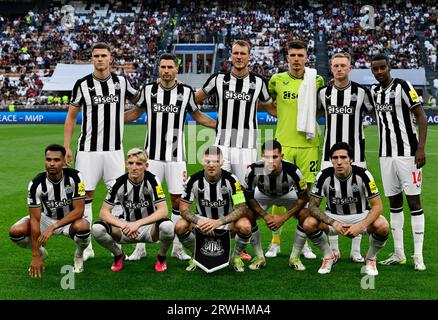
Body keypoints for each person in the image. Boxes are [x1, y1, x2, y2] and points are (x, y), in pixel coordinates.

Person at [124, 53, 216, 261]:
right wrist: (112, 120)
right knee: (144, 200)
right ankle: (140, 247)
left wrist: (220, 125)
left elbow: (198, 116)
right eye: (163, 67)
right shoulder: (148, 90)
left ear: (177, 69)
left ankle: (176, 247)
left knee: (178, 201)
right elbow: (136, 113)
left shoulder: (186, 92)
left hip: (176, 158)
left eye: (170, 67)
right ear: (159, 69)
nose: (166, 70)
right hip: (151, 158)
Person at [195, 39, 272, 261]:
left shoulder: (259, 83)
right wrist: (212, 123)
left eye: (243, 53)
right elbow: (193, 102)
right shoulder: (218, 79)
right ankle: (216, 240)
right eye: (235, 53)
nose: (239, 57)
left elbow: (270, 105)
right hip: (222, 145)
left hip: (247, 147)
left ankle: (244, 245)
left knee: (244, 197)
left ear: (249, 57)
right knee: (220, 193)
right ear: (231, 56)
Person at [63, 42, 140, 261]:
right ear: (92, 59)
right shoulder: (82, 84)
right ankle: (87, 246)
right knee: (85, 196)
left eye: (103, 55)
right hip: (87, 151)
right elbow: (71, 116)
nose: (99, 59)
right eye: (96, 55)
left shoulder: (121, 82)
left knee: (120, 196)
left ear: (110, 58)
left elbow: (142, 102)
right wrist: (67, 146)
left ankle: (116, 240)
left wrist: (123, 118)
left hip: (115, 151)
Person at [265, 39, 324, 259]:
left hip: (309, 145)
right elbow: (266, 102)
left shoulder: (316, 80)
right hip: (284, 145)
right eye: (293, 55)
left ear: (306, 57)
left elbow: (321, 107)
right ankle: (275, 241)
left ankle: (304, 242)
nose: (297, 59)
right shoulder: (277, 80)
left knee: (307, 196)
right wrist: (281, 116)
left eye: (301, 55)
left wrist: (306, 120)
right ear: (287, 58)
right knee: (279, 192)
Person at [370, 53, 428, 271]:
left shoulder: (403, 86)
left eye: (382, 68)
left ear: (389, 67)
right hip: (385, 155)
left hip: (408, 155)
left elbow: (421, 117)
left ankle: (418, 256)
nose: (379, 72)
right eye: (375, 69)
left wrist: (420, 148)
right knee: (394, 204)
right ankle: (398, 253)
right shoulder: (374, 92)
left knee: (414, 203)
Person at [317, 51, 375, 262]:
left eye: (343, 65)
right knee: (330, 199)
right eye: (335, 66)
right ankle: (334, 249)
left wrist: (364, 124)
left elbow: (374, 113)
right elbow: (314, 114)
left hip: (356, 155)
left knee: (359, 201)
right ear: (331, 68)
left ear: (350, 68)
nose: (339, 69)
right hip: (328, 155)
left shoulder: (362, 92)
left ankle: (355, 250)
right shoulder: (323, 93)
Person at [304, 142, 389, 275]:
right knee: (308, 223)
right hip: (333, 217)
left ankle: (371, 258)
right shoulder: (323, 176)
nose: (339, 162)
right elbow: (312, 206)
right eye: (335, 158)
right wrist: (333, 223)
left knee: (383, 225)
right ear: (331, 160)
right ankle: (328, 256)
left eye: (343, 157)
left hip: (360, 215)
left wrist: (360, 226)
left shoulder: (364, 174)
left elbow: (378, 206)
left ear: (351, 159)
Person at [9, 144, 90, 277]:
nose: (52, 163)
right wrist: (35, 255)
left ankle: (79, 255)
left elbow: (79, 210)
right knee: (16, 232)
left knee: (83, 226)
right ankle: (41, 253)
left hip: (70, 218)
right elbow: (35, 219)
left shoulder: (75, 177)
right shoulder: (36, 184)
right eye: (48, 159)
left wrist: (54, 227)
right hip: (46, 218)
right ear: (45, 160)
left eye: (56, 160)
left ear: (64, 161)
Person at [92, 148, 174, 272]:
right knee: (97, 229)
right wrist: (124, 224)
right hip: (125, 228)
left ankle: (161, 257)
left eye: (139, 164)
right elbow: (104, 212)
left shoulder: (152, 180)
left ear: (146, 166)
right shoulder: (118, 183)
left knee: (168, 226)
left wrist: (137, 223)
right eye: (130, 163)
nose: (134, 167)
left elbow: (163, 211)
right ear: (126, 164)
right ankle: (118, 254)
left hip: (149, 228)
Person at [175, 146, 253, 272]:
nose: (211, 165)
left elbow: (241, 209)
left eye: (216, 161)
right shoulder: (193, 180)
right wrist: (200, 222)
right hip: (202, 222)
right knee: (180, 225)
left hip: (224, 222)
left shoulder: (232, 180)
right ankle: (196, 256)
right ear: (202, 162)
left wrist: (219, 222)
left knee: (245, 226)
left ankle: (235, 256)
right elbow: (183, 209)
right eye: (207, 161)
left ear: (222, 163)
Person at [243, 140, 310, 271]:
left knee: (305, 215)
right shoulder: (253, 170)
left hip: (287, 194)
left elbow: (304, 197)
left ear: (282, 156)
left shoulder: (293, 171)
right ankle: (259, 257)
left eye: (275, 157)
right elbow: (249, 197)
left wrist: (283, 218)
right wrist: (265, 216)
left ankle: (294, 257)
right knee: (247, 214)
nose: (270, 161)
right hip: (262, 195)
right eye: (266, 157)